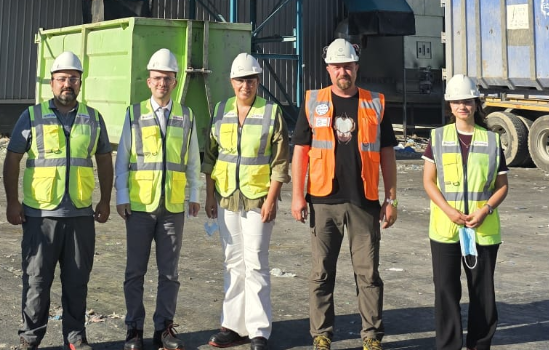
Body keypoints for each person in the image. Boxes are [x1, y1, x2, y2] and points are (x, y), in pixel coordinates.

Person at [290, 38, 398, 350]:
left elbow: (388, 154)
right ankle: (321, 334)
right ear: (328, 69)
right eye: (337, 66)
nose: (343, 71)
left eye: (348, 66)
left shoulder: (375, 102)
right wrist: (298, 196)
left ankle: (371, 336)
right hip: (323, 201)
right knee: (322, 273)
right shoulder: (312, 101)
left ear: (356, 67)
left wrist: (390, 199)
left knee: (368, 274)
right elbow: (300, 152)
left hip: (364, 201)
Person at [4, 51, 114, 350]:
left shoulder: (93, 118)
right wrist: (12, 202)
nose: (68, 84)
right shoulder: (31, 116)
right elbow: (12, 159)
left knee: (77, 282)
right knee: (37, 280)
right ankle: (30, 337)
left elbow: (104, 160)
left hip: (80, 214)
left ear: (80, 84)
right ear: (52, 83)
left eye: (74, 79)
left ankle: (76, 337)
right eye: (62, 79)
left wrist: (104, 200)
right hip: (40, 214)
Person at [115, 48, 201, 350]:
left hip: (173, 206)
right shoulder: (133, 113)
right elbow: (122, 157)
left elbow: (192, 160)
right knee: (135, 272)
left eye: (167, 78)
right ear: (149, 82)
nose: (162, 83)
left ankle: (164, 329)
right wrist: (122, 196)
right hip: (139, 206)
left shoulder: (186, 115)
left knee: (170, 273)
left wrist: (194, 194)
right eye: (157, 78)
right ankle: (133, 330)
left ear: (175, 82)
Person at [203, 53, 290, 350]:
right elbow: (211, 156)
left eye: (251, 80)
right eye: (241, 80)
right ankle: (232, 326)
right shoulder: (220, 110)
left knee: (255, 263)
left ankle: (258, 331)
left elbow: (280, 162)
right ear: (231, 82)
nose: (246, 85)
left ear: (258, 81)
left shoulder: (271, 112)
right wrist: (209, 195)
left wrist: (272, 199)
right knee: (232, 262)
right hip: (227, 196)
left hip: (257, 198)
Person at [421, 74, 509, 350]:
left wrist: (485, 210)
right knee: (446, 293)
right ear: (450, 105)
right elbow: (428, 181)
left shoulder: (492, 141)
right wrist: (448, 211)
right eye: (457, 101)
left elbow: (502, 186)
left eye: (467, 101)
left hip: (481, 230)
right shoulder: (437, 137)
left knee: (483, 295)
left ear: (476, 103)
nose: (463, 106)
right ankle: (449, 346)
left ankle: (479, 345)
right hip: (446, 229)